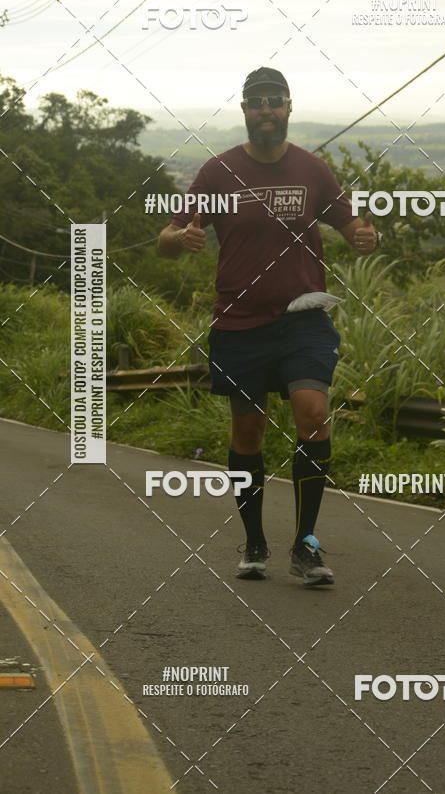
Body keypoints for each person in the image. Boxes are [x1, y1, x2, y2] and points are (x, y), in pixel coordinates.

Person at [158, 67, 378, 586]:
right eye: (256, 103)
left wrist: (366, 236)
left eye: (274, 102)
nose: (266, 111)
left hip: (304, 318)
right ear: (244, 110)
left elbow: (351, 226)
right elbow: (168, 236)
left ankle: (305, 545)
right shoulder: (218, 172)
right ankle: (254, 539)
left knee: (314, 413)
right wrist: (179, 240)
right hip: (239, 324)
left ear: (288, 107)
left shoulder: (312, 170)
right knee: (248, 431)